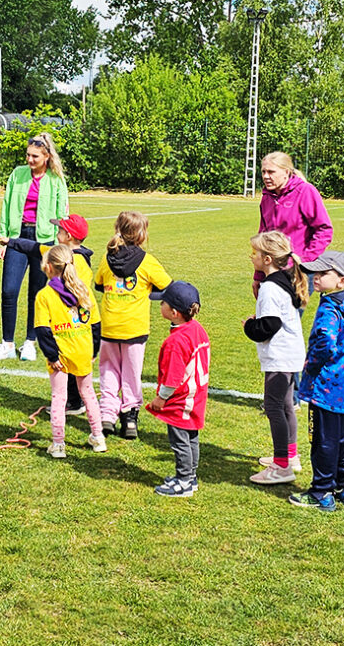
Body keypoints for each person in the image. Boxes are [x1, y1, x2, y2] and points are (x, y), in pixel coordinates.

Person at [289, 251, 344, 511]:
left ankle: (321, 492)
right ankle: (343, 487)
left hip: (326, 388)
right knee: (342, 440)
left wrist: (314, 366)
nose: (315, 277)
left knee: (323, 441)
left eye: (323, 273)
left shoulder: (329, 308)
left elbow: (325, 343)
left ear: (342, 280)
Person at [0, 213, 93, 415]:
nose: (56, 233)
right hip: (67, 322)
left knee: (68, 358)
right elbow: (33, 247)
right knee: (68, 358)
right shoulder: (59, 253)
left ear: (68, 236)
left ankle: (74, 403)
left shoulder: (79, 263)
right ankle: (74, 401)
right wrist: (11, 242)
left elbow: (79, 293)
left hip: (71, 322)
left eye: (59, 230)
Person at [0, 132, 69, 362]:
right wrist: (4, 239)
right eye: (28, 155)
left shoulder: (56, 180)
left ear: (46, 156)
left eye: (34, 156)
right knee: (9, 290)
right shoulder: (17, 175)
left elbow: (62, 214)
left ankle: (30, 343)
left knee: (37, 293)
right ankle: (7, 344)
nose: (30, 160)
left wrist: (59, 246)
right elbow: (6, 205)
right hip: (16, 238)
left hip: (44, 241)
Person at [94, 211, 172, 439]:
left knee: (108, 370)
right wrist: (147, 293)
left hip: (109, 325)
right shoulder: (147, 261)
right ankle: (129, 418)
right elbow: (167, 286)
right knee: (132, 372)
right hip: (135, 327)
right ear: (142, 234)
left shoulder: (106, 258)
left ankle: (107, 415)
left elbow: (98, 284)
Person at [242, 231, 308, 484]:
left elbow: (269, 325)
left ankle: (282, 467)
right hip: (290, 353)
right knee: (286, 405)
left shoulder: (270, 287)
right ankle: (289, 456)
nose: (252, 257)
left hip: (281, 356)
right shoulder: (283, 280)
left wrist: (250, 325)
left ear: (267, 259)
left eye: (255, 253)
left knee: (273, 406)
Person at [33, 245, 106, 458]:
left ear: (47, 267)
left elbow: (42, 329)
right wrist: (93, 351)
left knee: (59, 397)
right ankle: (98, 438)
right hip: (83, 351)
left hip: (61, 355)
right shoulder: (84, 290)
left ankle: (58, 445)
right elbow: (95, 324)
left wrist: (52, 356)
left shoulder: (45, 295)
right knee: (89, 394)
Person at [145, 281, 211, 498]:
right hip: (196, 395)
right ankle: (190, 477)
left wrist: (161, 399)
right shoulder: (196, 329)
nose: (160, 305)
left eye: (163, 303)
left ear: (174, 312)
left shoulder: (176, 341)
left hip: (181, 399)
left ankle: (184, 481)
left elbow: (173, 378)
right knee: (191, 437)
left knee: (180, 441)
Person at [253, 151, 333, 299]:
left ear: (286, 172)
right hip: (271, 270)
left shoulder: (305, 191)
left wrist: (304, 261)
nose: (265, 176)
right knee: (269, 317)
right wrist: (259, 273)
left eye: (271, 172)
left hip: (298, 272)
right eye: (263, 171)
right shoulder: (267, 198)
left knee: (287, 318)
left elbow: (324, 230)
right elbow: (262, 238)